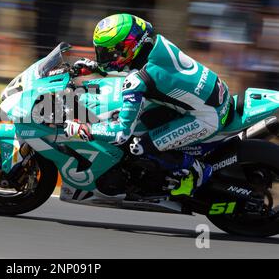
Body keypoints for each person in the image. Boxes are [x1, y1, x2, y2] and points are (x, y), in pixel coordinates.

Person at [64, 13, 232, 197]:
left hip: (207, 118)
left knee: (137, 146)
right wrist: (98, 67)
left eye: (108, 52)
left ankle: (197, 170)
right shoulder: (157, 44)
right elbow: (140, 69)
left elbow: (120, 134)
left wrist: (84, 129)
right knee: (146, 120)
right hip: (217, 94)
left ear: (129, 46)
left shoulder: (138, 80)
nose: (105, 57)